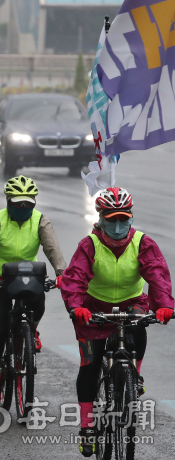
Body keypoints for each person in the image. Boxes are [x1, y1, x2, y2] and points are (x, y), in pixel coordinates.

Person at [59, 187, 174, 457]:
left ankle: (135, 374)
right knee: (90, 366)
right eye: (112, 220)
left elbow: (158, 275)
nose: (118, 225)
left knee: (140, 327)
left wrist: (165, 306)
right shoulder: (89, 244)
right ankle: (87, 429)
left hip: (131, 303)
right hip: (93, 309)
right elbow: (74, 278)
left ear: (131, 218)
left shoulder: (143, 242)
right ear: (100, 218)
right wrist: (76, 307)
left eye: (124, 219)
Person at [0, 175, 66, 400]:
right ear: (8, 201)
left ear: (34, 202)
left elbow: (53, 249)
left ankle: (32, 330)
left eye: (28, 204)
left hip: (27, 275)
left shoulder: (41, 221)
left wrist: (62, 274)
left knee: (38, 301)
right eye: (18, 204)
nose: (23, 208)